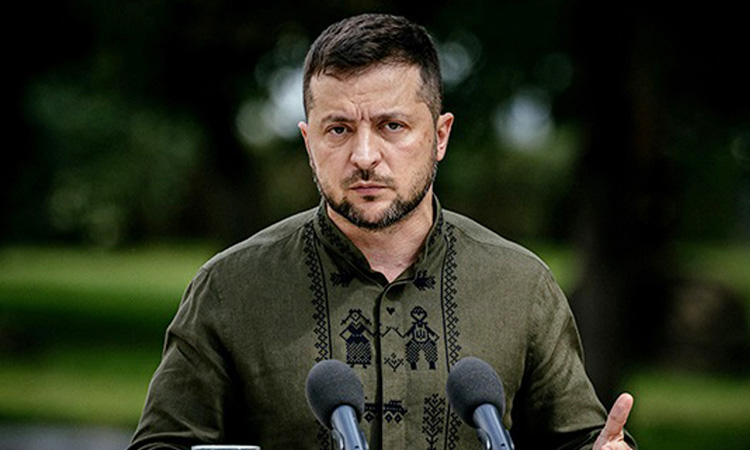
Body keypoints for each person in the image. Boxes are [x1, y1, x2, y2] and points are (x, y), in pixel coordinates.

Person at [128, 13, 637, 450]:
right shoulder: (229, 288)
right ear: (308, 142)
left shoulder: (520, 286)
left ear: (440, 136)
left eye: (392, 126)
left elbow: (579, 439)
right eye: (339, 129)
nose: (365, 156)